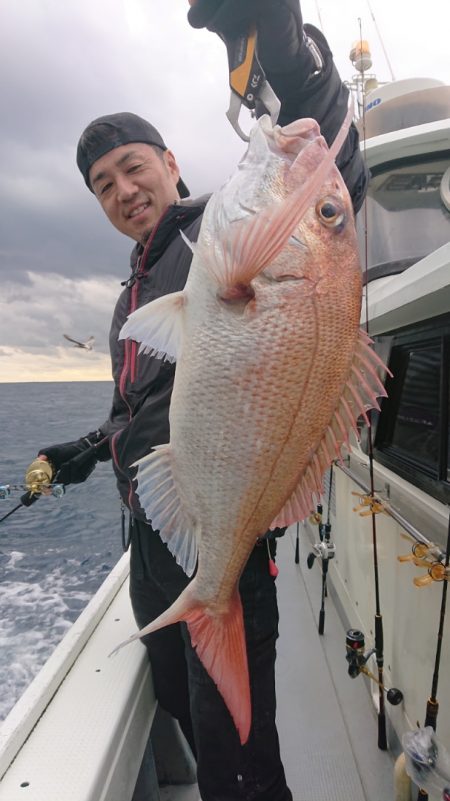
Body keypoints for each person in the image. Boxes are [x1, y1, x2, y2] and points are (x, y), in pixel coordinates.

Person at [34, 2, 369, 799]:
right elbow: (148, 403)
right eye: (103, 183)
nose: (123, 189)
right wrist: (85, 451)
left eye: (134, 167)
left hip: (223, 524)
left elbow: (334, 177)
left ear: (170, 161)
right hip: (153, 539)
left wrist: (294, 59)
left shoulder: (211, 240)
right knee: (181, 699)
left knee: (240, 761)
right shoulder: (137, 285)